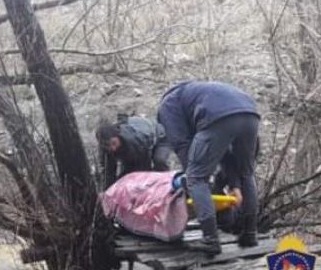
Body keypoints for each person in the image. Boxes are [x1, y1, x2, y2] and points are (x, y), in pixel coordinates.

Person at [156, 80, 260, 255]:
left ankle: (210, 240)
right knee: (246, 174)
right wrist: (235, 185)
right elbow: (226, 155)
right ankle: (250, 234)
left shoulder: (167, 106)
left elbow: (182, 145)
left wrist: (192, 181)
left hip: (220, 116)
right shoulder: (197, 95)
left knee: (196, 178)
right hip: (250, 113)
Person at [95, 114, 173, 189]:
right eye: (107, 146)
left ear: (118, 136)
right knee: (123, 179)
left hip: (159, 138)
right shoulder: (104, 149)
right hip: (134, 150)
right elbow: (108, 172)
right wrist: (108, 190)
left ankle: (168, 185)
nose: (112, 148)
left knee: (159, 161)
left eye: (114, 143)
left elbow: (144, 170)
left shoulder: (133, 140)